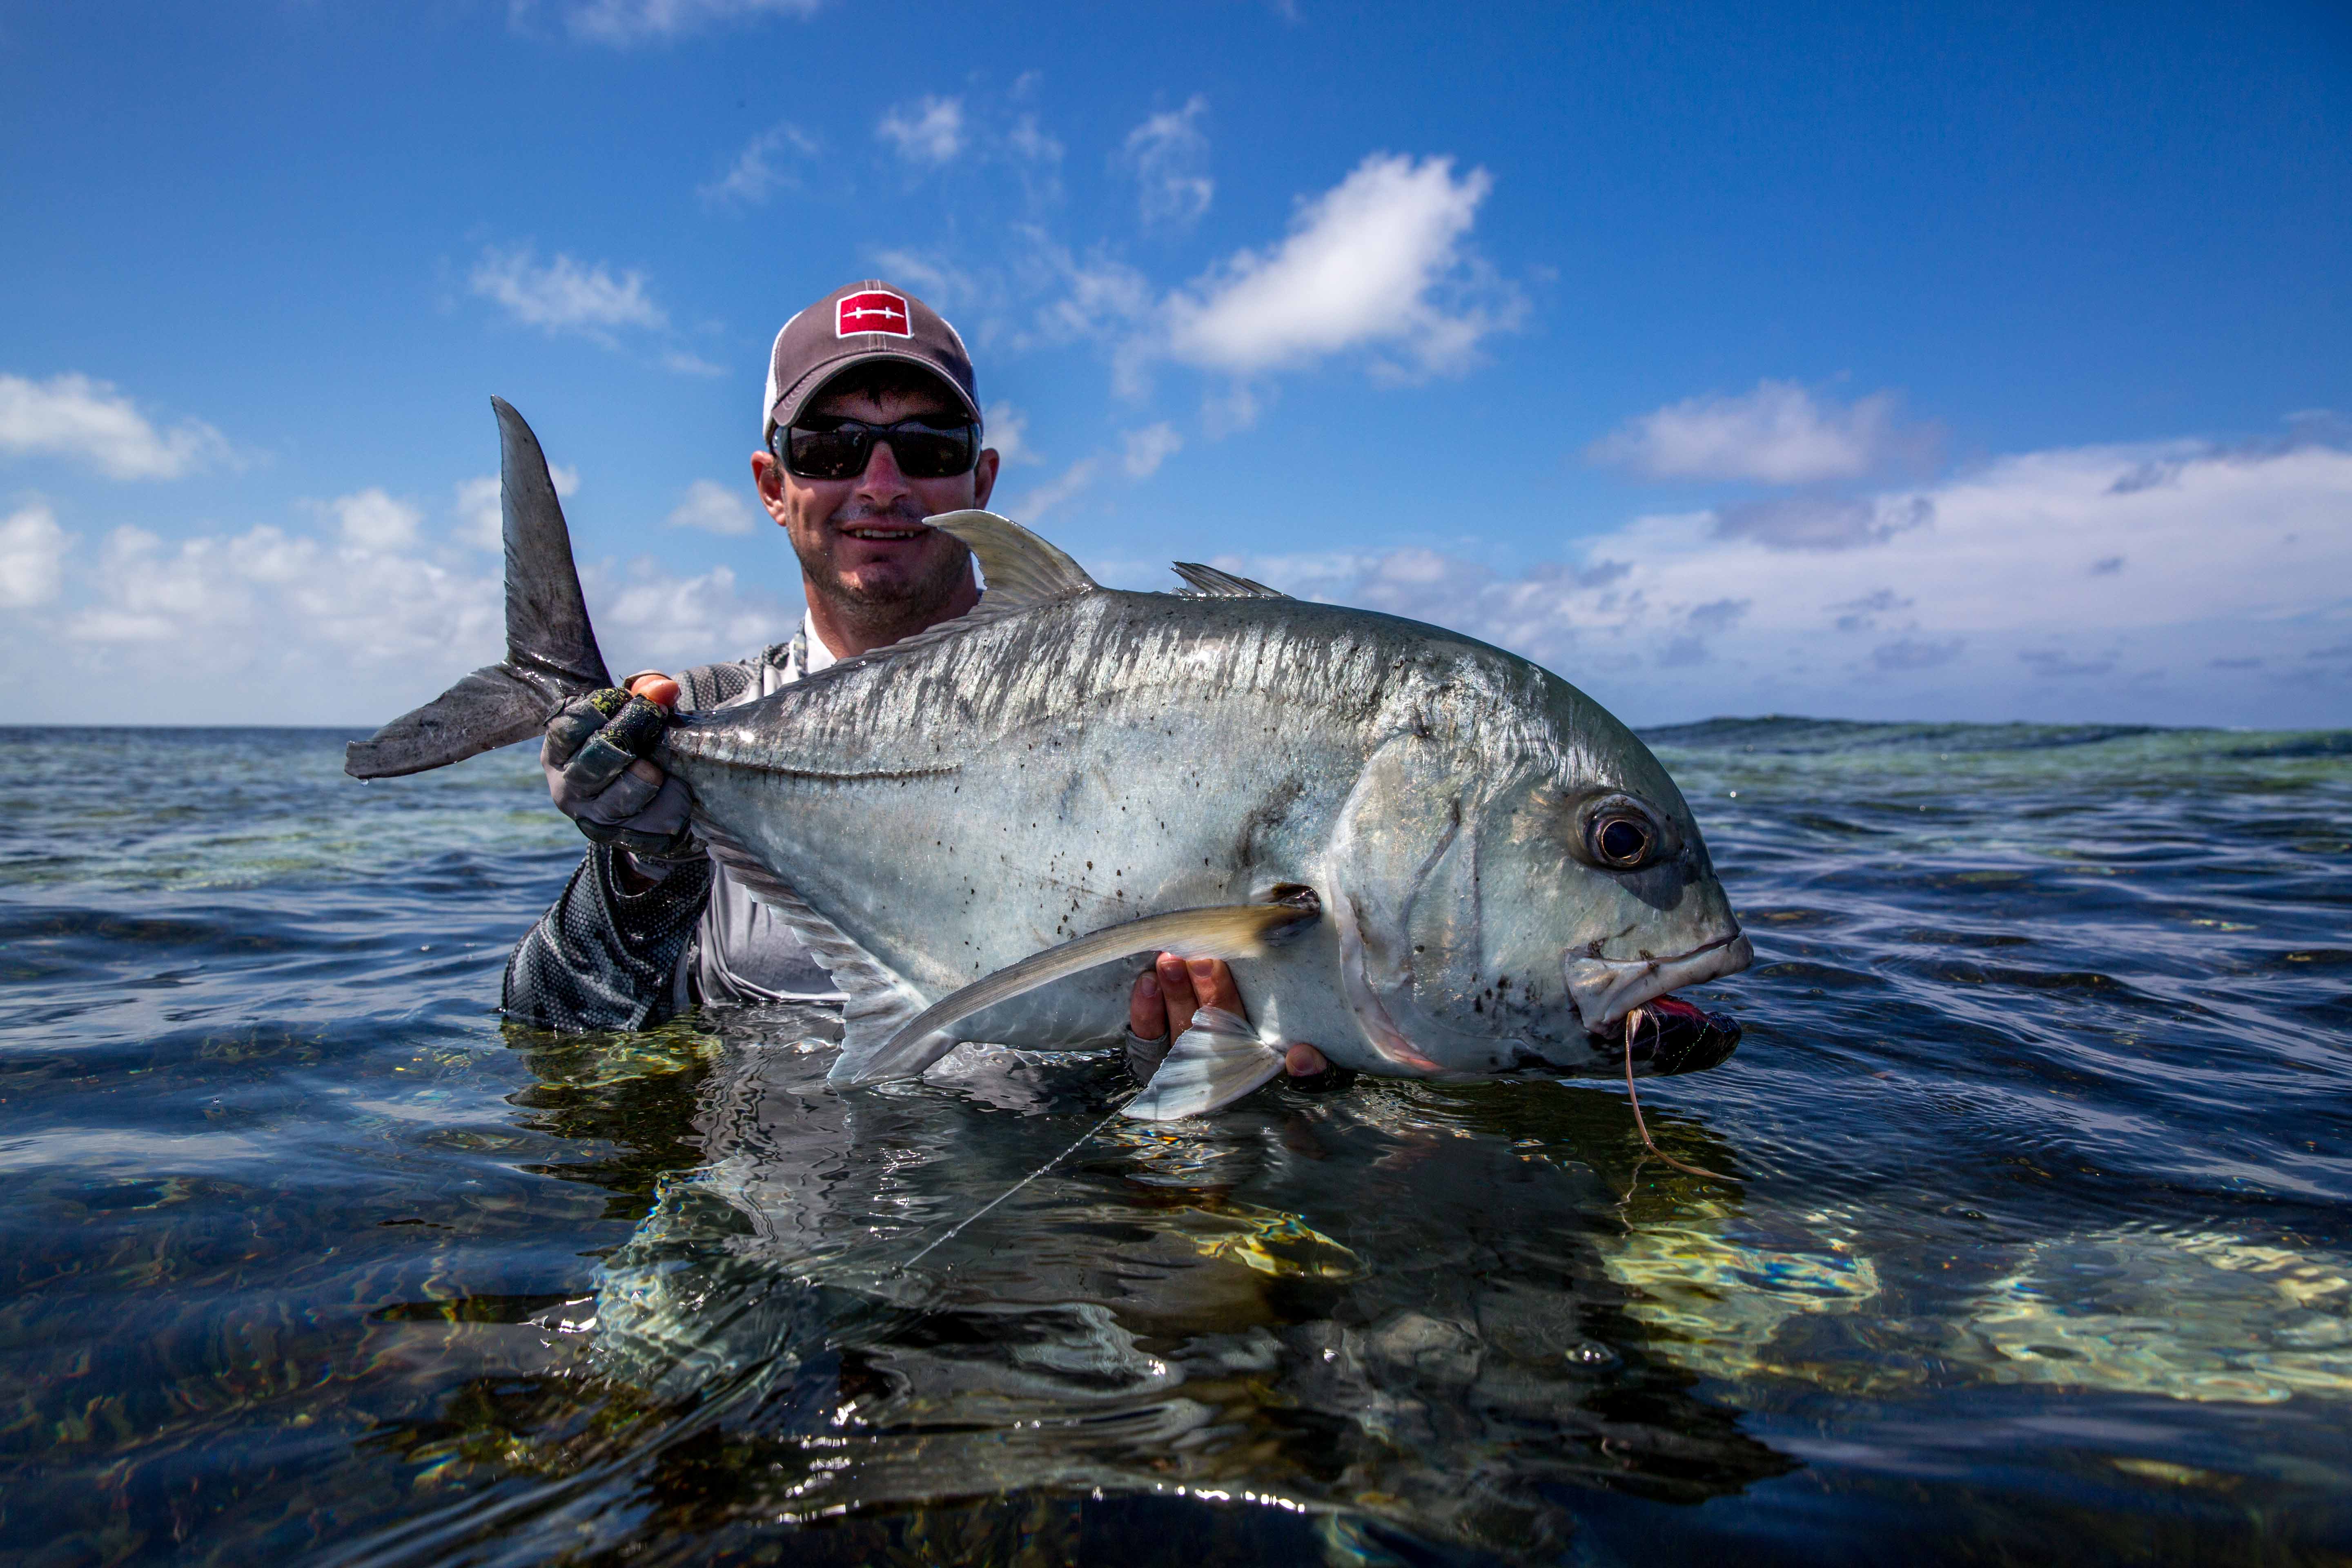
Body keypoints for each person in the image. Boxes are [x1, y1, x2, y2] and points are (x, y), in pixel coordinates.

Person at [505, 279, 1337, 1089]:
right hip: (773, 1207)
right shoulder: (696, 724)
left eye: (929, 445)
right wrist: (637, 875)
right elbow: (544, 1029)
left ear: (982, 482)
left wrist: (1188, 1062)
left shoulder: (1154, 709)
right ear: (772, 485)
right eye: (831, 447)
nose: (882, 484)